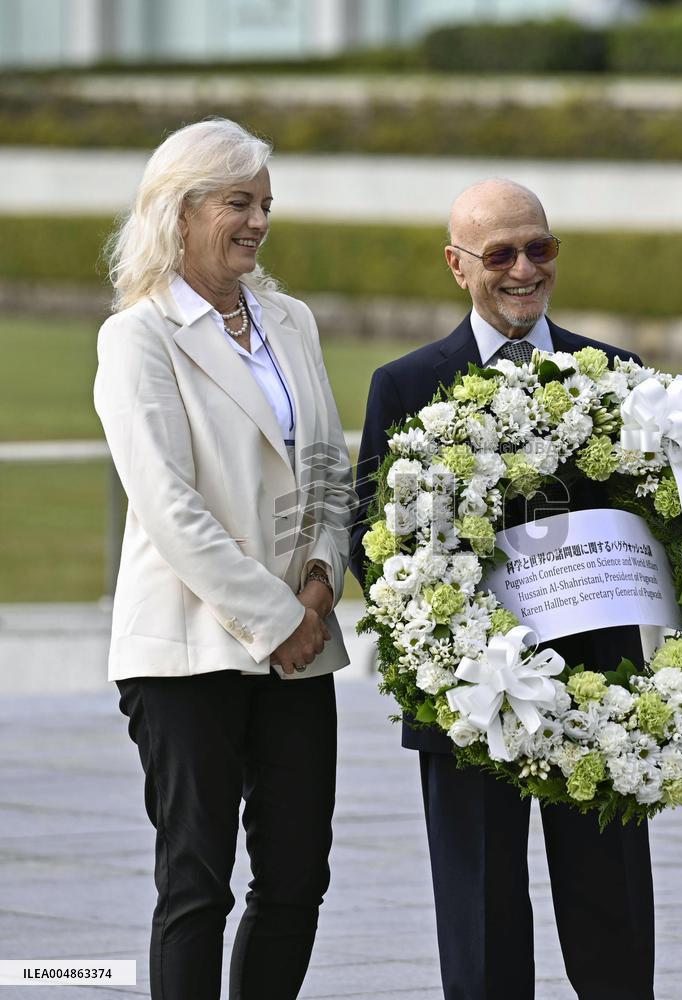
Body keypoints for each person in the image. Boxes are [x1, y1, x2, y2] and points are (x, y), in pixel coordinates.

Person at [350, 179, 655, 1000]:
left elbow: (663, 523)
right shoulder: (405, 385)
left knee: (614, 913)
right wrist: (455, 642)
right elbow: (367, 541)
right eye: (499, 254)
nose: (523, 269)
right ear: (458, 267)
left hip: (602, 693)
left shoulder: (619, 375)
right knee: (480, 920)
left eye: (540, 248)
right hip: (468, 697)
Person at [94, 118, 355, 1000]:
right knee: (196, 884)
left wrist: (321, 581)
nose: (257, 222)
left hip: (301, 644)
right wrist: (279, 619)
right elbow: (170, 507)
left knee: (296, 878)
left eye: (265, 205)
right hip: (186, 651)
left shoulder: (292, 319)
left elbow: (326, 464)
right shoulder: (138, 337)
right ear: (181, 210)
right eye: (238, 203)